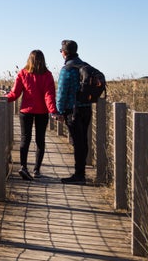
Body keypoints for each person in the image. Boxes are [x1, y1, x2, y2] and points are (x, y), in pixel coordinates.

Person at [5, 50, 58, 180]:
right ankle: (37, 170)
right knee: (40, 140)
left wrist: (3, 98)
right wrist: (53, 110)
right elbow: (49, 95)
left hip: (25, 111)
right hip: (42, 112)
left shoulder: (23, 73)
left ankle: (23, 167)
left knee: (25, 139)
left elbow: (15, 94)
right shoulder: (48, 75)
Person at [55, 39, 92, 184]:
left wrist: (59, 111)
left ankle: (79, 175)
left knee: (78, 142)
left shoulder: (67, 69)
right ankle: (81, 173)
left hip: (73, 111)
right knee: (83, 141)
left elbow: (62, 92)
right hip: (86, 108)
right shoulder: (85, 66)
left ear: (64, 53)